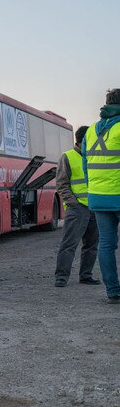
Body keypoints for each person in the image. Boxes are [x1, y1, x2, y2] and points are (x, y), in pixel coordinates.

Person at [82, 88, 120, 303]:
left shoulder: (91, 130)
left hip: (98, 196)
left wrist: (93, 190)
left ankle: (113, 291)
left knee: (106, 244)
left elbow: (86, 166)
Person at [54, 126, 100, 287]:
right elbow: (61, 184)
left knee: (92, 244)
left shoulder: (95, 156)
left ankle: (86, 275)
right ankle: (61, 277)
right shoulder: (67, 157)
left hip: (95, 207)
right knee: (69, 244)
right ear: (81, 141)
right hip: (78, 208)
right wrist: (73, 202)